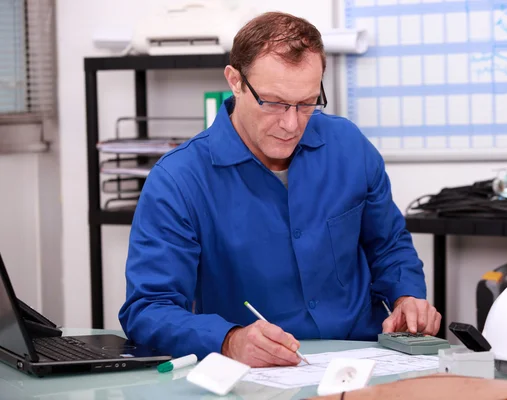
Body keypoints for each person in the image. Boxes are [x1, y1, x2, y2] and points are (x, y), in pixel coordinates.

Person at [119, 11, 441, 368]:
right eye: (273, 103)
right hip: (259, 374)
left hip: (364, 360)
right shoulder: (178, 179)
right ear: (235, 81)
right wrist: (228, 340)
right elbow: (148, 308)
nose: (291, 124)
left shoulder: (349, 145)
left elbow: (389, 245)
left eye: (306, 103)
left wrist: (407, 296)